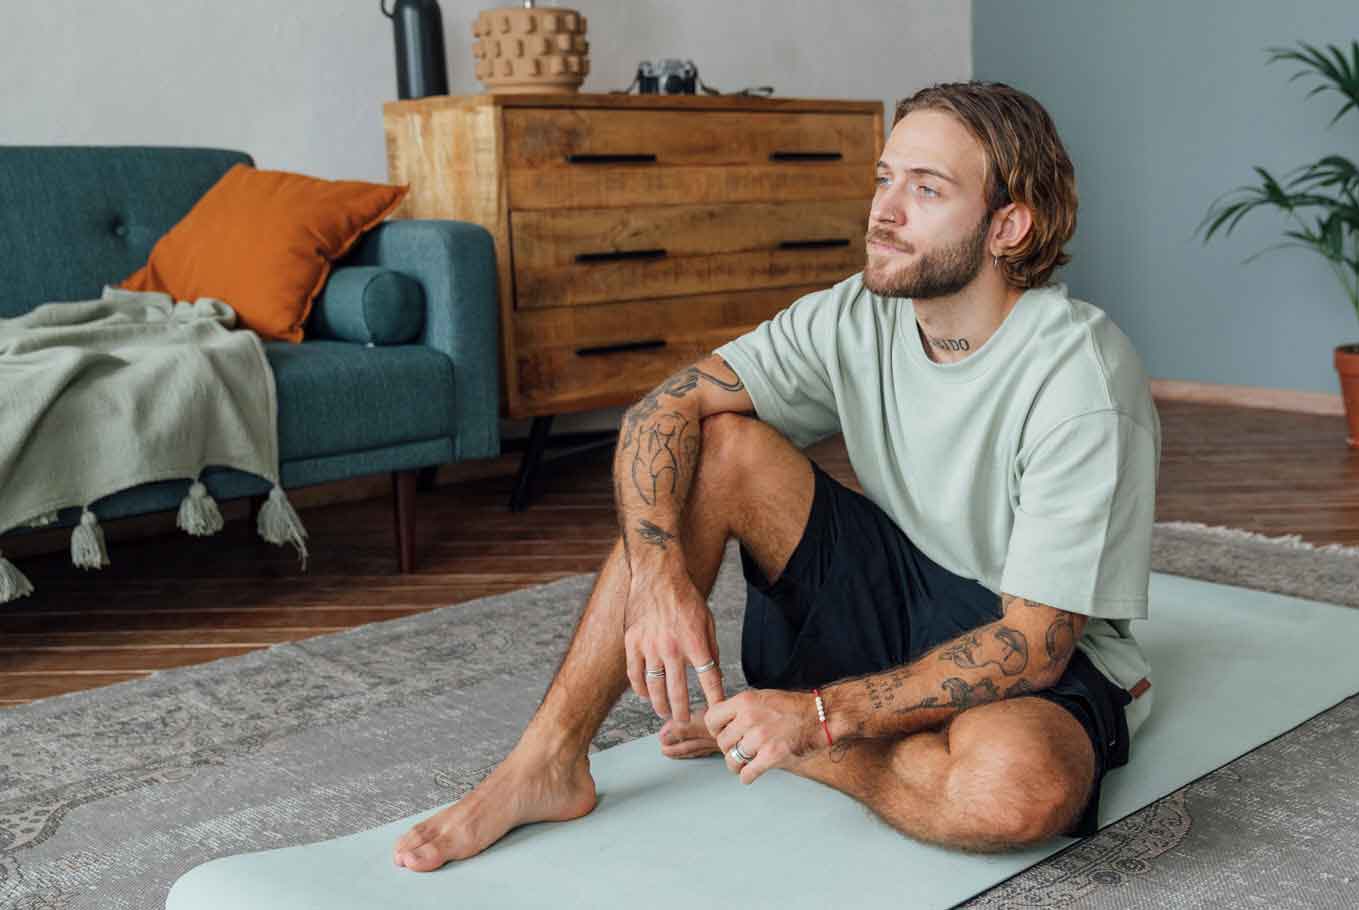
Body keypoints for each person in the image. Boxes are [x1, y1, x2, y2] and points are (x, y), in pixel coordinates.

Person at [392, 80, 1160, 871]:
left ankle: (782, 737)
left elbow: (1032, 647)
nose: (884, 211)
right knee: (720, 445)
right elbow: (662, 410)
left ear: (1008, 225)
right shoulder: (854, 313)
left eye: (926, 189)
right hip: (894, 588)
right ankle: (546, 761)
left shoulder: (1082, 382)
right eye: (884, 178)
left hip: (1037, 635)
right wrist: (658, 578)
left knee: (1011, 791)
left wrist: (820, 719)